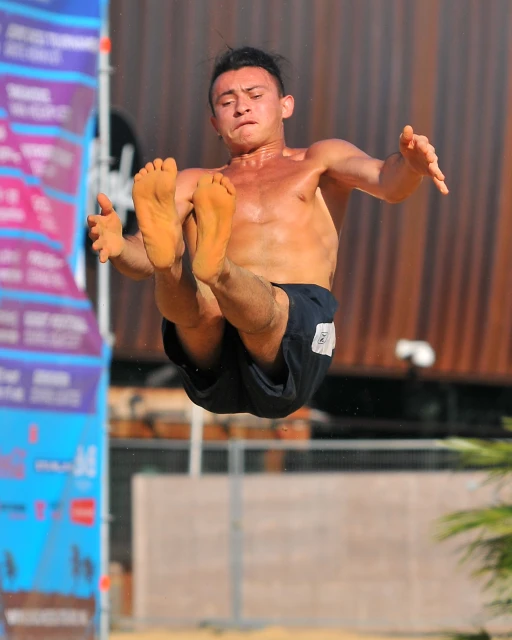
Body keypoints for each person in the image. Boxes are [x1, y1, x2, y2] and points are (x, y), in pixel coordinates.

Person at [87, 47, 448, 419]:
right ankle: (187, 267)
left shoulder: (318, 161)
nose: (242, 107)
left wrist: (410, 165)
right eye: (227, 102)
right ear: (215, 123)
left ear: (285, 105)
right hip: (216, 343)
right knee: (197, 300)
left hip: (295, 323)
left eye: (255, 96)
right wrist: (117, 247)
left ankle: (216, 270)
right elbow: (143, 257)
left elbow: (388, 181)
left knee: (260, 306)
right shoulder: (197, 183)